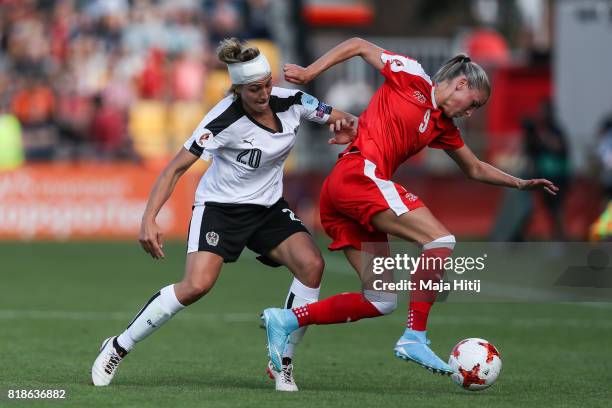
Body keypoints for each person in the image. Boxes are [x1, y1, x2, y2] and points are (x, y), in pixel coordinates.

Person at [262, 37, 558, 376]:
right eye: (473, 103)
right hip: (359, 177)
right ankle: (415, 337)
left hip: (349, 192)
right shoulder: (412, 76)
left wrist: (519, 182)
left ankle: (284, 319)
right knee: (440, 240)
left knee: (381, 299)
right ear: (461, 83)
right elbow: (359, 44)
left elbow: (474, 168)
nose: (470, 112)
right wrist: (310, 71)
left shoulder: (443, 126)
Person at [91, 38, 357, 392]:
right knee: (196, 286)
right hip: (220, 210)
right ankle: (118, 346)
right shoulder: (222, 118)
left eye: (265, 85)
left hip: (268, 208)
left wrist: (346, 129)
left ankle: (283, 362)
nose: (263, 94)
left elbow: (346, 121)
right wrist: (148, 219)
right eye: (253, 89)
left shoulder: (293, 101)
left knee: (312, 266)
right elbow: (174, 169)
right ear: (237, 89)